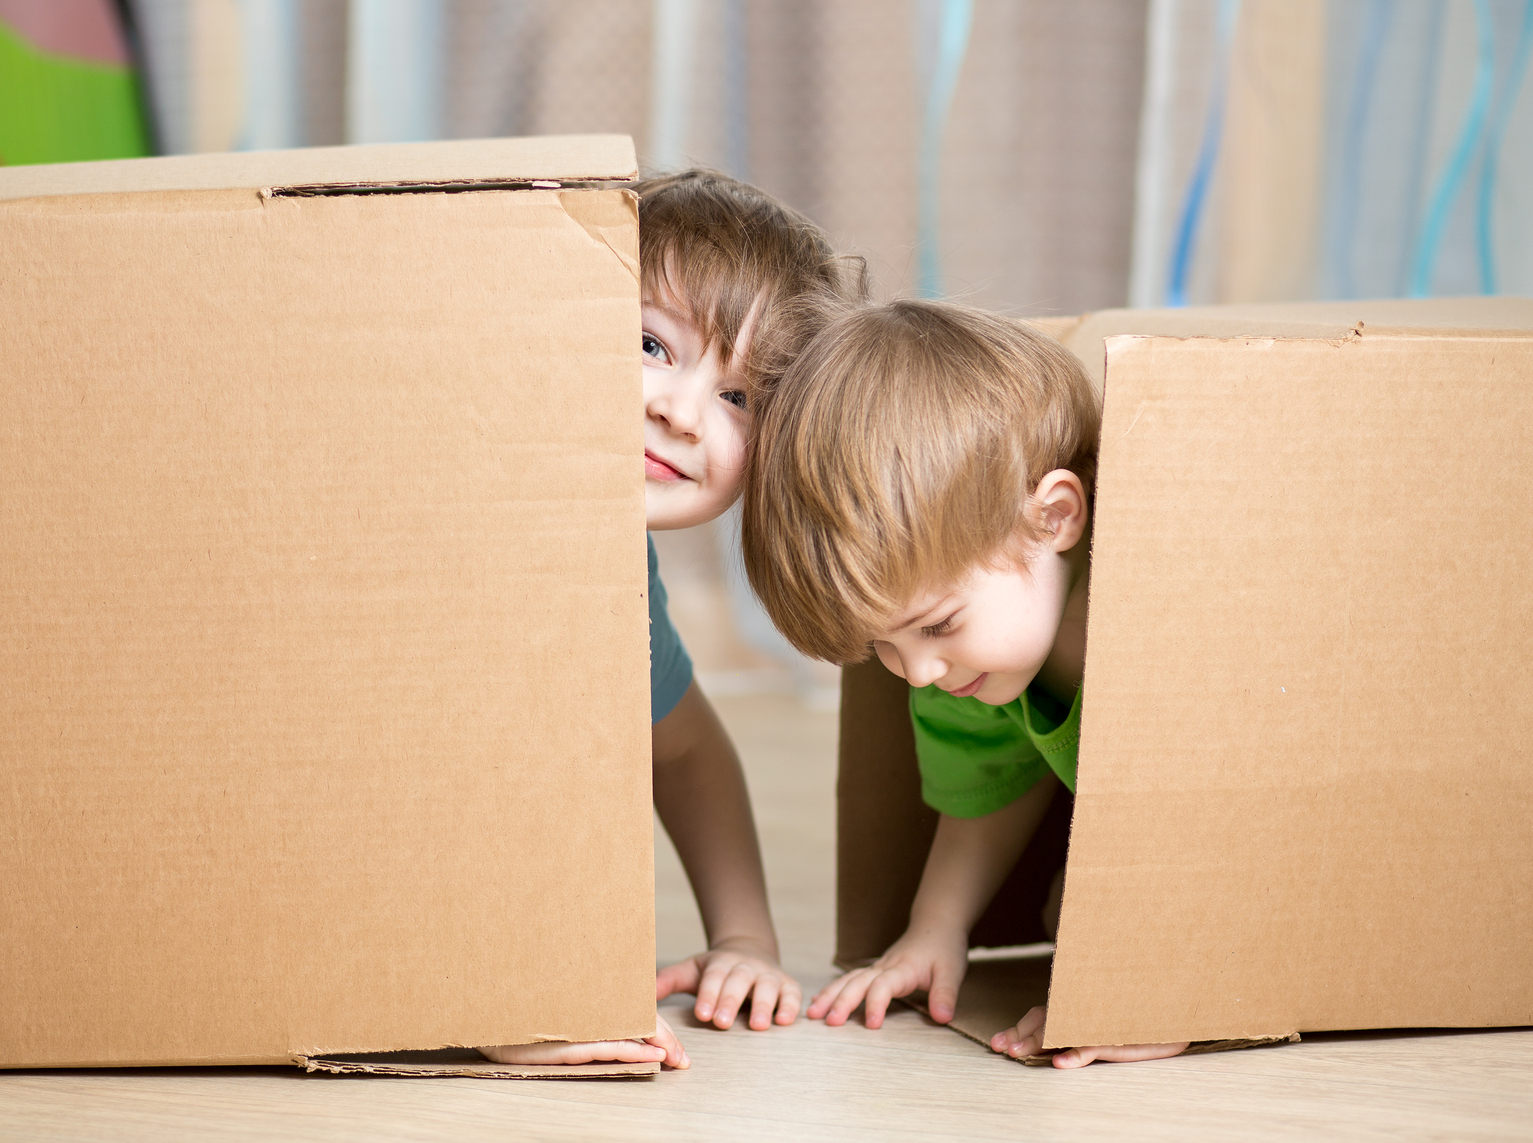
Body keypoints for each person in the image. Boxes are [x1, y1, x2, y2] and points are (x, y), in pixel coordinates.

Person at [481, 170, 866, 1070]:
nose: (679, 410)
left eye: (739, 397)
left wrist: (745, 940)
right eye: (650, 344)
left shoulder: (622, 567)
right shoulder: (477, 515)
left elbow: (686, 749)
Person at [739, 298, 1188, 1069]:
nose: (916, 671)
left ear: (1053, 518)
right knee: (1063, 908)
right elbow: (987, 789)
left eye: (938, 623)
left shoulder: (1156, 625)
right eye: (882, 642)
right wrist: (935, 926)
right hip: (1151, 861)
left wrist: (1169, 983)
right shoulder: (989, 668)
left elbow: (1230, 810)